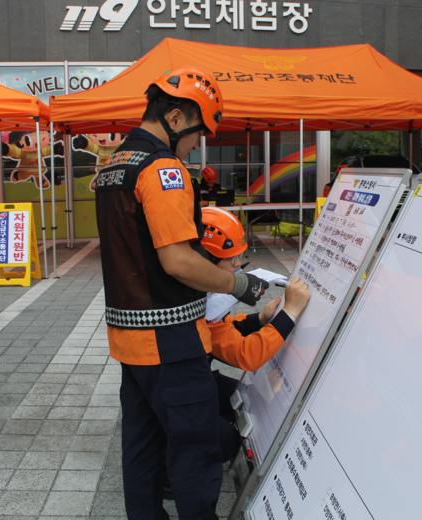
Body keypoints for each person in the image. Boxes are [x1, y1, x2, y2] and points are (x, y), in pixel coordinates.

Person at [95, 66, 269, 519]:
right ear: (174, 119)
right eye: (198, 133)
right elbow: (178, 261)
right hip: (170, 340)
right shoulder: (162, 169)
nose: (198, 143)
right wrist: (240, 284)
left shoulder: (114, 164)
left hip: (128, 339)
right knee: (195, 451)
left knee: (142, 448)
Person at [199, 206, 311, 462]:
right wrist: (289, 313)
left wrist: (260, 319)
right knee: (226, 443)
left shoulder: (196, 290)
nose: (238, 264)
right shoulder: (195, 304)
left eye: (239, 256)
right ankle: (168, 458)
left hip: (189, 378)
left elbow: (221, 326)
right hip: (176, 391)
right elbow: (247, 355)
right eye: (231, 259)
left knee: (243, 398)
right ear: (205, 260)